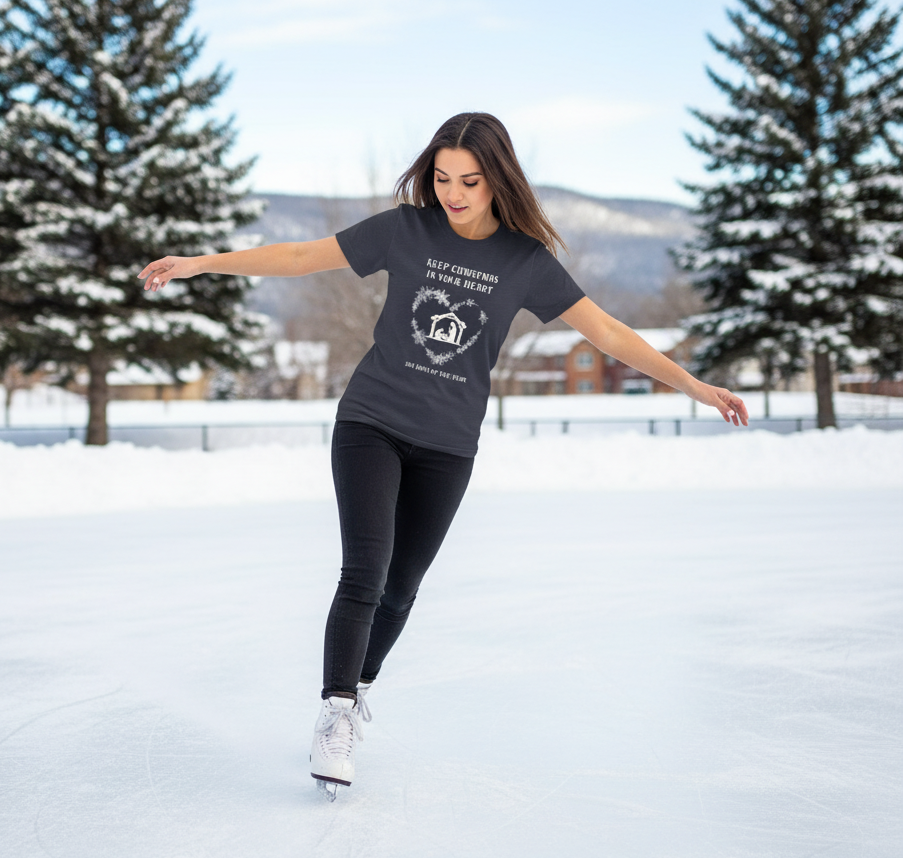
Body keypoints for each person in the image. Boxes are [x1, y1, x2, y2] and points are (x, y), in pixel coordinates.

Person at [137, 112, 749, 799]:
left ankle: (358, 687)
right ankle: (335, 712)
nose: (453, 193)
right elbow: (302, 255)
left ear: (499, 182)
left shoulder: (524, 262)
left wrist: (695, 386)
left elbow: (605, 332)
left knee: (403, 586)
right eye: (442, 177)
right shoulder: (406, 229)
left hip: (448, 446)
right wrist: (199, 262)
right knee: (365, 570)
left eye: (470, 180)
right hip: (370, 421)